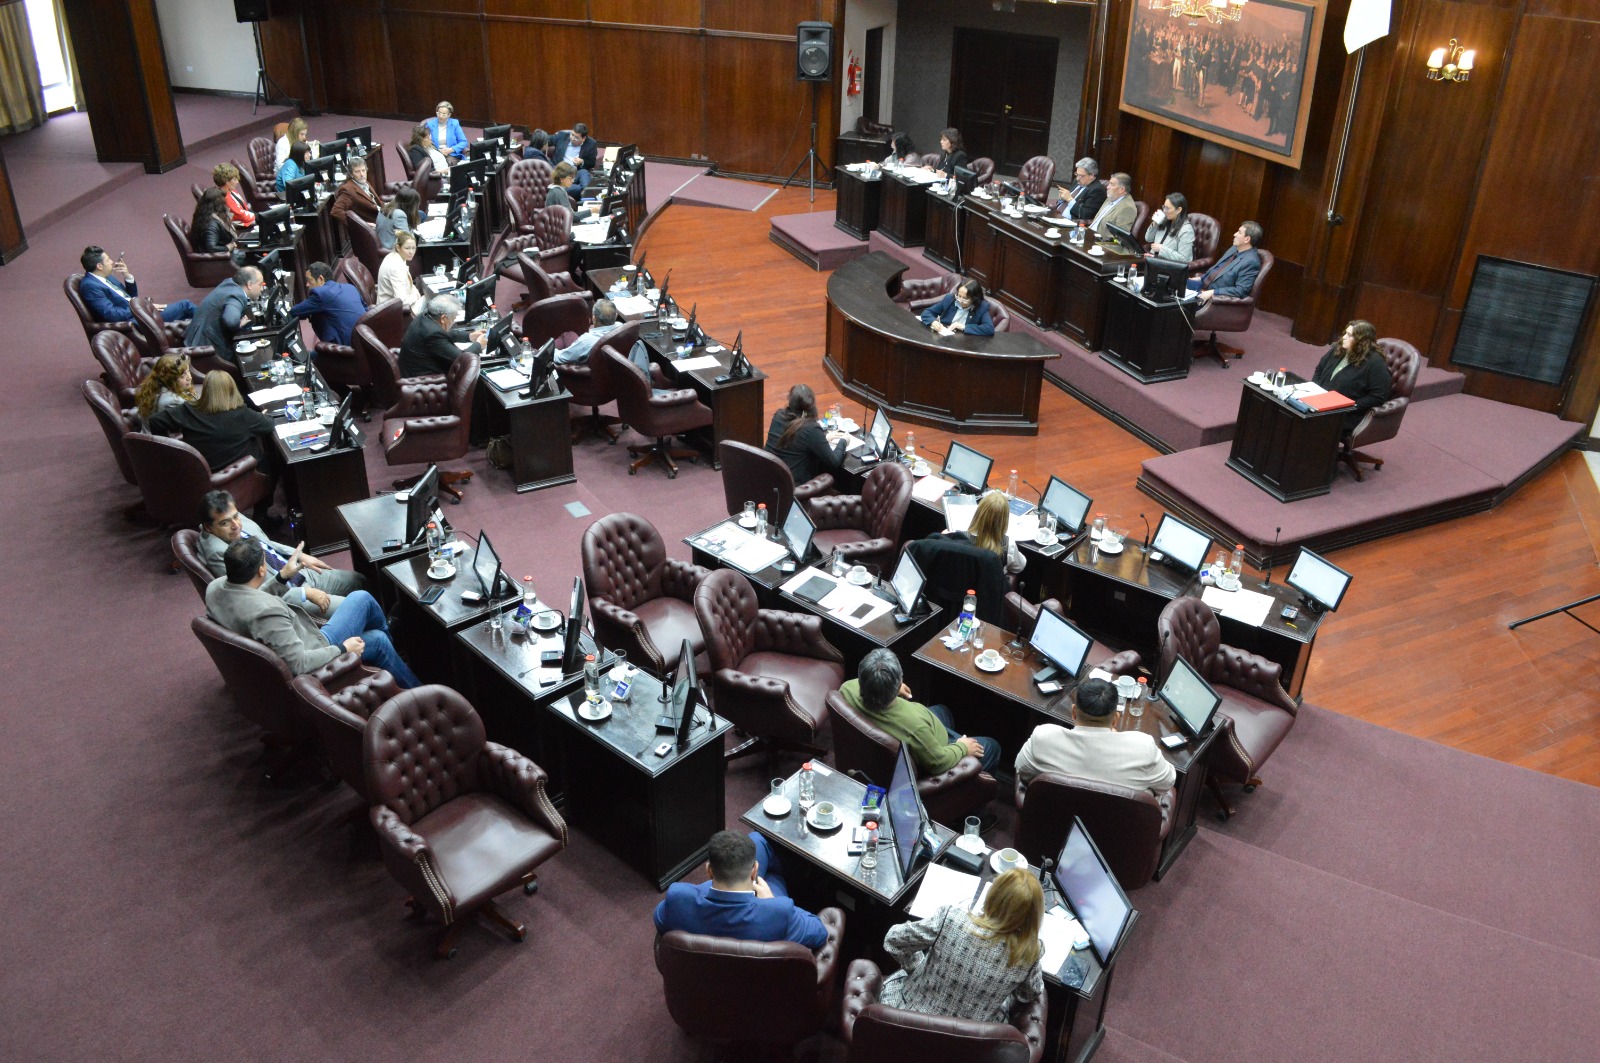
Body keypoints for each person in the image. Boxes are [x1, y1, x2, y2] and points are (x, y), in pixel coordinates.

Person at [207, 538, 420, 689]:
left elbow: (251, 597)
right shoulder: (267, 613)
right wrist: (343, 648)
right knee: (374, 627)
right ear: (262, 570)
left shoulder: (215, 588)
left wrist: (281, 578)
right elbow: (299, 664)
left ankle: (392, 658)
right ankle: (420, 692)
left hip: (294, 646)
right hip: (316, 654)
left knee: (365, 606)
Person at [879, 868, 1045, 1024]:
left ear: (994, 895)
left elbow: (894, 940)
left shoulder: (951, 918)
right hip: (971, 1039)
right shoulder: (1030, 954)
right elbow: (1028, 994)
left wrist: (915, 966)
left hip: (909, 1018)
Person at [196, 490, 367, 623]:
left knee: (359, 580)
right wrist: (303, 592)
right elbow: (252, 597)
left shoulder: (232, 518)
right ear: (208, 527)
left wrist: (300, 556)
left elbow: (268, 544)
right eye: (225, 523)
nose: (236, 525)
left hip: (300, 572)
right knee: (360, 606)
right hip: (290, 596)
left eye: (236, 517)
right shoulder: (219, 554)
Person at [652, 830, 828, 949]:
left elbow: (660, 919)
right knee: (772, 874)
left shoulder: (678, 899)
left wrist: (701, 891)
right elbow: (819, 932)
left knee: (757, 839)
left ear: (709, 871)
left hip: (703, 978)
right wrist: (771, 901)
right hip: (765, 916)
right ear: (754, 870)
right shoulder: (779, 912)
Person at [839, 648, 1002, 775]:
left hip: (908, 729)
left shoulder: (847, 689)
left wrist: (891, 689)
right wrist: (962, 747)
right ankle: (975, 798)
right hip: (936, 753)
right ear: (899, 681)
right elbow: (938, 762)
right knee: (993, 747)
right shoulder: (916, 729)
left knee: (943, 711)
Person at [1014, 677, 1177, 792]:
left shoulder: (1043, 737)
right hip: (1116, 827)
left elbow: (1022, 770)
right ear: (1115, 719)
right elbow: (1167, 783)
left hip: (1053, 819)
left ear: (1073, 712)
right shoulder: (1144, 748)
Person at [148, 370, 276, 479]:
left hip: (203, 475)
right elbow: (269, 425)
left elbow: (155, 421)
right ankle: (264, 502)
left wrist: (169, 450)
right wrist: (261, 416)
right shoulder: (242, 414)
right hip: (241, 475)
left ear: (206, 389)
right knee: (274, 460)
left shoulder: (188, 410)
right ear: (232, 389)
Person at [76, 246, 197, 324]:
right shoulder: (90, 286)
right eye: (108, 260)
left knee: (186, 313)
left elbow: (131, 297)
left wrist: (127, 276)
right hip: (132, 321)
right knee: (185, 306)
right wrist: (141, 308)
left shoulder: (106, 277)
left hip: (138, 312)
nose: (112, 262)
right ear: (99, 266)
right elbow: (112, 314)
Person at [1312, 320, 1393, 434]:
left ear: (1362, 341)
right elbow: (1319, 369)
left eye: (1349, 335)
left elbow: (1378, 396)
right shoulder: (1339, 347)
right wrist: (1314, 390)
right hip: (1320, 402)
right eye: (1345, 333)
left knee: (1311, 424)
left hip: (1347, 414)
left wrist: (1349, 405)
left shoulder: (1375, 363)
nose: (1344, 337)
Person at [765, 383, 847, 484]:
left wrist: (824, 438)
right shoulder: (811, 428)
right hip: (792, 485)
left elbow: (794, 442)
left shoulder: (778, 415)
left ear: (790, 400)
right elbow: (834, 462)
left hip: (769, 476)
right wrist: (843, 441)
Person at [399, 294, 485, 378]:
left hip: (412, 370)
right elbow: (461, 360)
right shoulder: (433, 334)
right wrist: (479, 345)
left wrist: (469, 336)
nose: (454, 322)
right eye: (453, 319)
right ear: (443, 318)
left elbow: (443, 333)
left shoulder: (425, 316)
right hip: (424, 381)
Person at [185, 266, 265, 354]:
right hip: (205, 347)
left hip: (195, 337)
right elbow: (231, 321)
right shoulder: (237, 295)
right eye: (260, 284)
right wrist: (240, 324)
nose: (262, 289)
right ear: (250, 285)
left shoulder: (229, 283)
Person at [289, 261, 366, 346]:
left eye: (309, 280)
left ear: (320, 279)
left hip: (346, 347)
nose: (307, 284)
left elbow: (294, 311)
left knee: (309, 354)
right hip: (364, 340)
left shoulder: (321, 293)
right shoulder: (350, 288)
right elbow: (366, 309)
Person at [1193, 220, 1264, 303]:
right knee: (1180, 284)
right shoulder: (1234, 249)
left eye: (1239, 232)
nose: (1235, 234)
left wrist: (1213, 292)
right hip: (1202, 286)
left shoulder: (1251, 261)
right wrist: (1200, 278)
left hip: (1214, 298)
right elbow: (1217, 269)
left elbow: (1240, 290)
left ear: (1247, 239)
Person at [968, 489, 1025, 575]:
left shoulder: (961, 537)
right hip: (992, 583)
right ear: (1004, 521)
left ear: (979, 513)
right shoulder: (1008, 544)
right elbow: (1019, 567)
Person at [131, 353, 195, 429]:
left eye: (188, 371)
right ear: (170, 380)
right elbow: (190, 426)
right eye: (182, 376)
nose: (189, 378)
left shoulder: (152, 388)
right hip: (162, 436)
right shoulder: (173, 401)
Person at [920, 279, 995, 337]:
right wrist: (933, 322)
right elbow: (927, 312)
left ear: (974, 298)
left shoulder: (981, 307)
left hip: (965, 343)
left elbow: (989, 329)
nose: (960, 300)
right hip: (942, 337)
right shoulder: (950, 299)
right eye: (959, 296)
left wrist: (962, 327)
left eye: (965, 298)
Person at [554, 298, 619, 365]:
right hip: (609, 366)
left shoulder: (586, 341)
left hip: (581, 367)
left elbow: (559, 358)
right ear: (616, 316)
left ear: (594, 319)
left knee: (567, 334)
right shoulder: (622, 328)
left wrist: (550, 351)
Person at [377, 231, 427, 317]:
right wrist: (416, 296)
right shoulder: (396, 268)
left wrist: (415, 293)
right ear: (398, 247)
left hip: (391, 304)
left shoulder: (393, 256)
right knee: (434, 301)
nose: (411, 252)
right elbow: (402, 301)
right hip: (392, 312)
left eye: (413, 248)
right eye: (407, 248)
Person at [329, 156, 382, 228]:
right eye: (357, 171)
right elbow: (336, 211)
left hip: (382, 216)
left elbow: (375, 203)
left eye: (363, 170)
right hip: (375, 224)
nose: (362, 174)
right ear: (351, 174)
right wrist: (362, 225)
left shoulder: (364, 183)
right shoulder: (347, 190)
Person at [1143, 192, 1194, 264]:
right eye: (1164, 207)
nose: (1164, 211)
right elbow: (1148, 239)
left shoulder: (1186, 230)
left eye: (1167, 208)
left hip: (1168, 266)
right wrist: (1155, 223)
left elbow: (1184, 259)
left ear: (1178, 210)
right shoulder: (1164, 221)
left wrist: (1162, 249)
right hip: (1153, 262)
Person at [1052, 157, 1105, 222]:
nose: (1077, 178)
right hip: (1055, 215)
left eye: (1081, 176)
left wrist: (1069, 199)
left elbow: (1085, 214)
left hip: (1070, 223)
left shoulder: (1097, 190)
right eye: (1077, 174)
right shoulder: (1076, 182)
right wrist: (1062, 199)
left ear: (1091, 175)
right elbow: (1063, 203)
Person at [190, 187, 237, 256]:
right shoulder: (212, 223)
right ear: (219, 204)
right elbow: (211, 248)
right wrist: (227, 248)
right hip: (223, 258)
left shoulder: (203, 214)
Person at [550, 123, 597, 191]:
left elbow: (592, 163)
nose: (572, 138)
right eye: (572, 134)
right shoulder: (562, 136)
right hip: (561, 173)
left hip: (576, 173)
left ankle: (585, 191)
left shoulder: (591, 144)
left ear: (583, 138)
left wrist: (582, 162)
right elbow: (546, 141)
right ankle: (584, 191)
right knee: (582, 188)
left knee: (584, 172)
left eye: (576, 137)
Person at [1090, 171, 1136, 238]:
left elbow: (1119, 237)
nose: (1107, 187)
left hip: (1100, 241)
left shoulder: (1127, 208)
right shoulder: (1111, 198)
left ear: (1121, 189)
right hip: (1090, 234)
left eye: (1112, 184)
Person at [376, 186, 421, 252]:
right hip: (392, 251)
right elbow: (408, 241)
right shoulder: (399, 214)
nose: (417, 208)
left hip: (383, 246)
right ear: (410, 205)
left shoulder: (385, 207)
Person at [212, 163, 255, 228]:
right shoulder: (225, 199)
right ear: (226, 181)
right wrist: (259, 216)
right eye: (234, 179)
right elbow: (242, 217)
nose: (237, 182)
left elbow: (243, 209)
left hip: (246, 218)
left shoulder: (231, 190)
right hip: (241, 227)